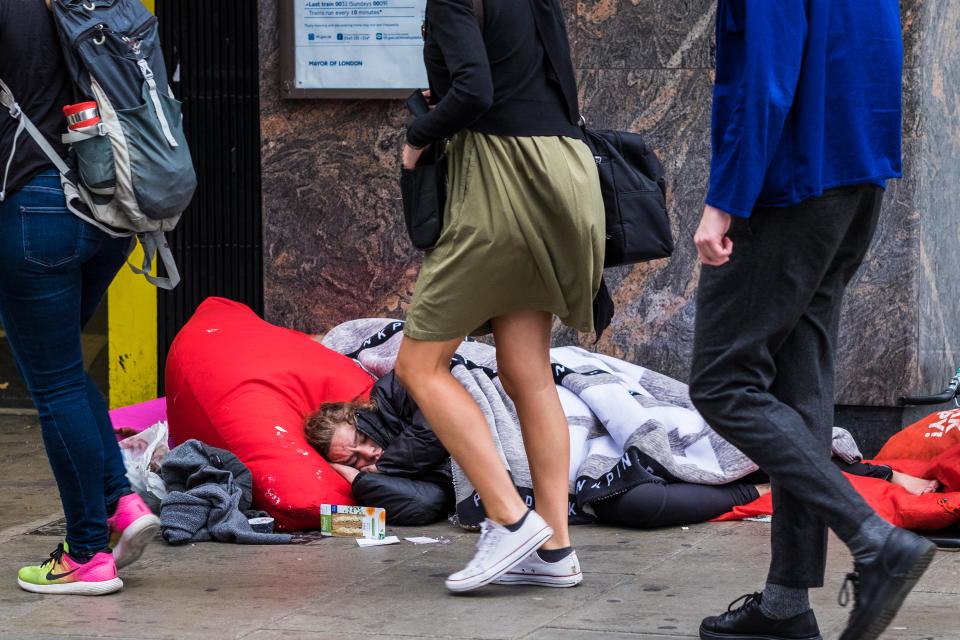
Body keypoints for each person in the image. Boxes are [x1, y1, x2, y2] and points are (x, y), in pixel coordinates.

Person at [689, 2, 935, 640]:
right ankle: (784, 605)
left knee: (722, 381)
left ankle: (873, 539)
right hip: (855, 179)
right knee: (802, 389)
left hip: (789, 183)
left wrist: (723, 200)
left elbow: (765, 78)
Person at [393, 0, 604, 592]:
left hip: (500, 177)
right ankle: (555, 550)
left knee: (419, 364)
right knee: (526, 367)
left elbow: (474, 91)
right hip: (564, 173)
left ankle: (509, 518)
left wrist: (416, 138)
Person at [304, 373, 937, 531]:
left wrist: (380, 459)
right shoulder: (387, 464)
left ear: (359, 417)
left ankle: (860, 468)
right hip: (567, 449)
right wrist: (359, 483)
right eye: (352, 457)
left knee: (685, 431)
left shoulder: (401, 383)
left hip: (570, 404)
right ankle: (766, 486)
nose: (366, 455)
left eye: (358, 441)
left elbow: (443, 423)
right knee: (626, 503)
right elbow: (422, 503)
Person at [0, 0, 159, 595]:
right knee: (65, 368)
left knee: (54, 383)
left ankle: (86, 552)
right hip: (110, 204)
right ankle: (121, 502)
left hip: (36, 208)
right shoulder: (90, 4)